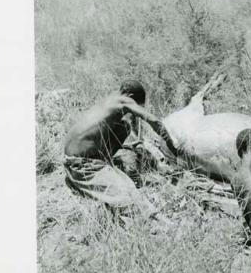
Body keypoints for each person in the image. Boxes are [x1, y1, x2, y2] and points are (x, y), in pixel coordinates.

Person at [63, 79, 179, 211]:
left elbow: (100, 132)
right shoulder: (124, 100)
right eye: (137, 105)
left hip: (71, 160)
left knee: (123, 126)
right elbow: (154, 120)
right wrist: (173, 147)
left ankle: (104, 163)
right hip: (82, 166)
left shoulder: (110, 100)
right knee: (130, 197)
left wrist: (129, 145)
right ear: (129, 97)